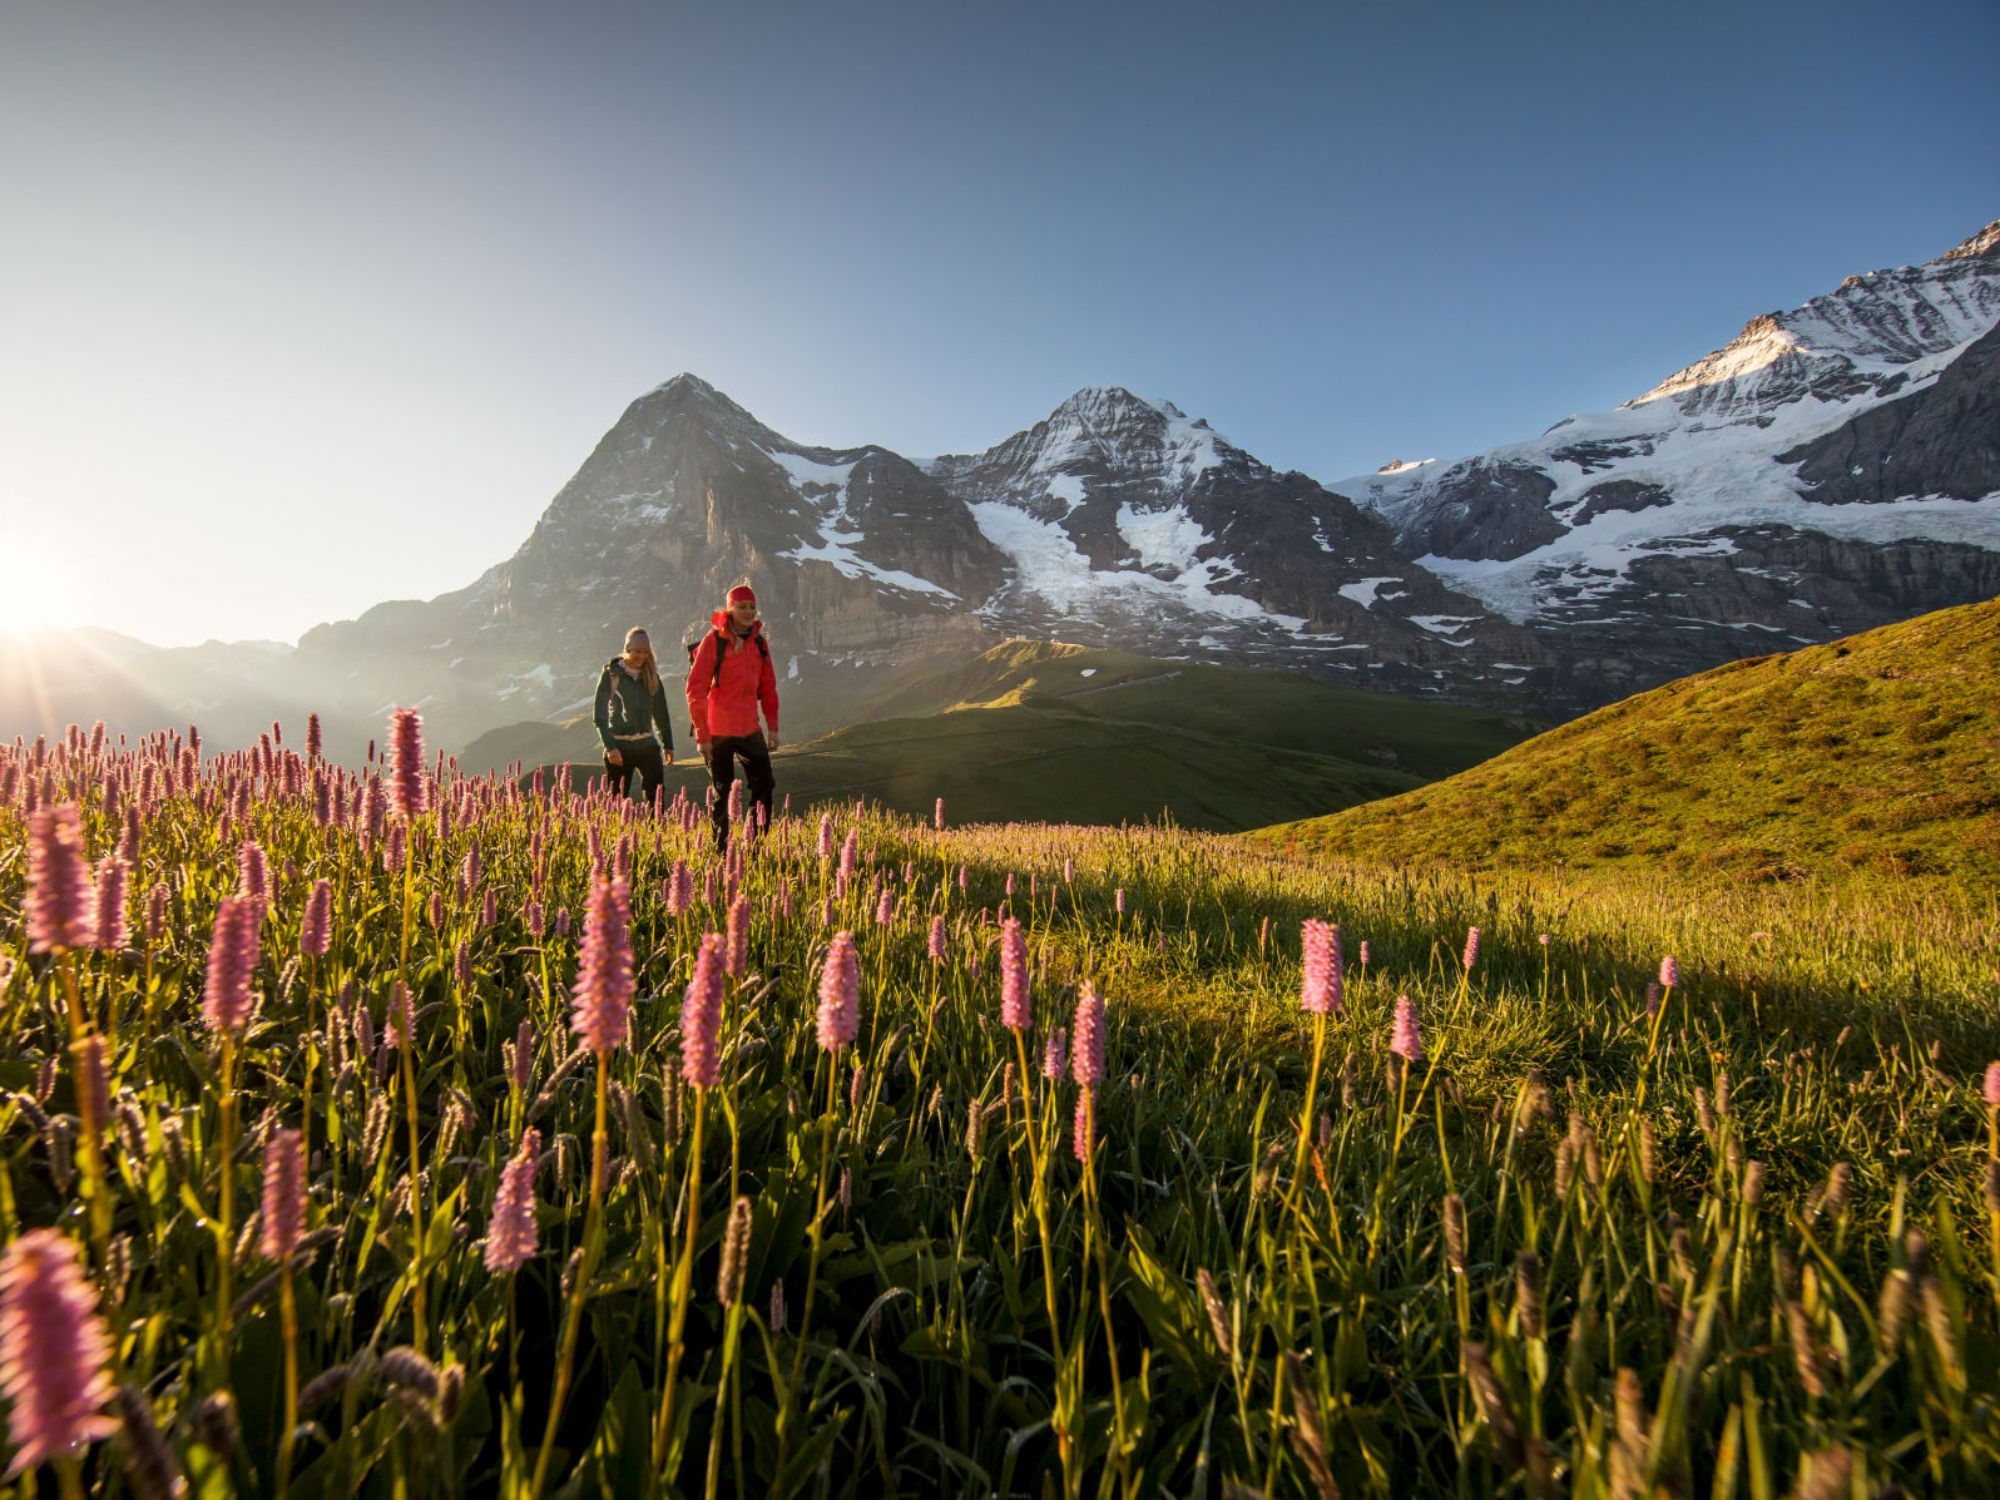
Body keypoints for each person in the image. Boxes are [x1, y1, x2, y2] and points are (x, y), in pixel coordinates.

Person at [686, 582, 779, 850]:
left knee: (764, 786)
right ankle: (722, 852)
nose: (748, 611)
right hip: (718, 731)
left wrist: (773, 727)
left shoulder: (759, 644)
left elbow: (768, 688)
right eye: (742, 606)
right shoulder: (713, 641)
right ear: (730, 609)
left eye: (752, 606)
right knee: (722, 792)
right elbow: (695, 689)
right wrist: (702, 737)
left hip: (750, 728)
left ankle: (755, 847)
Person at [594, 627, 674, 802]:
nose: (641, 656)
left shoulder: (652, 676)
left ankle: (655, 829)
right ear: (628, 649)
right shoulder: (611, 675)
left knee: (656, 799)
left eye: (645, 652)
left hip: (648, 746)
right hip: (619, 748)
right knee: (616, 801)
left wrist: (668, 743)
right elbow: (600, 716)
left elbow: (660, 713)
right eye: (637, 651)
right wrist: (610, 747)